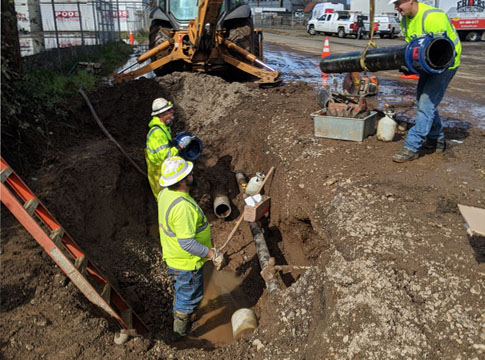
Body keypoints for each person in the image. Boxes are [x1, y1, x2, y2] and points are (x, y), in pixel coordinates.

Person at [389, 0, 461, 162]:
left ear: (411, 1)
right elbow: (412, 46)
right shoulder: (405, 20)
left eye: (399, 3)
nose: (396, 8)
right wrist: (409, 64)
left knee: (426, 104)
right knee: (424, 101)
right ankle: (436, 139)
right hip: (427, 64)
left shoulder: (433, 17)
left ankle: (412, 146)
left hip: (445, 63)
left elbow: (443, 49)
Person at [157, 156, 219, 340]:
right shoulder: (182, 207)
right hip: (186, 263)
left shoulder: (165, 193)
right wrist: (210, 253)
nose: (193, 174)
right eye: (189, 173)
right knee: (189, 297)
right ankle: (180, 334)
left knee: (184, 289)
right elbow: (187, 243)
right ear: (183, 181)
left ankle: (181, 311)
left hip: (174, 256)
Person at [145, 97, 180, 198]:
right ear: (162, 114)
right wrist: (179, 148)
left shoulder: (163, 128)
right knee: (168, 201)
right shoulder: (157, 133)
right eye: (169, 110)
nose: (172, 111)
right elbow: (165, 156)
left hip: (164, 172)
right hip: (160, 176)